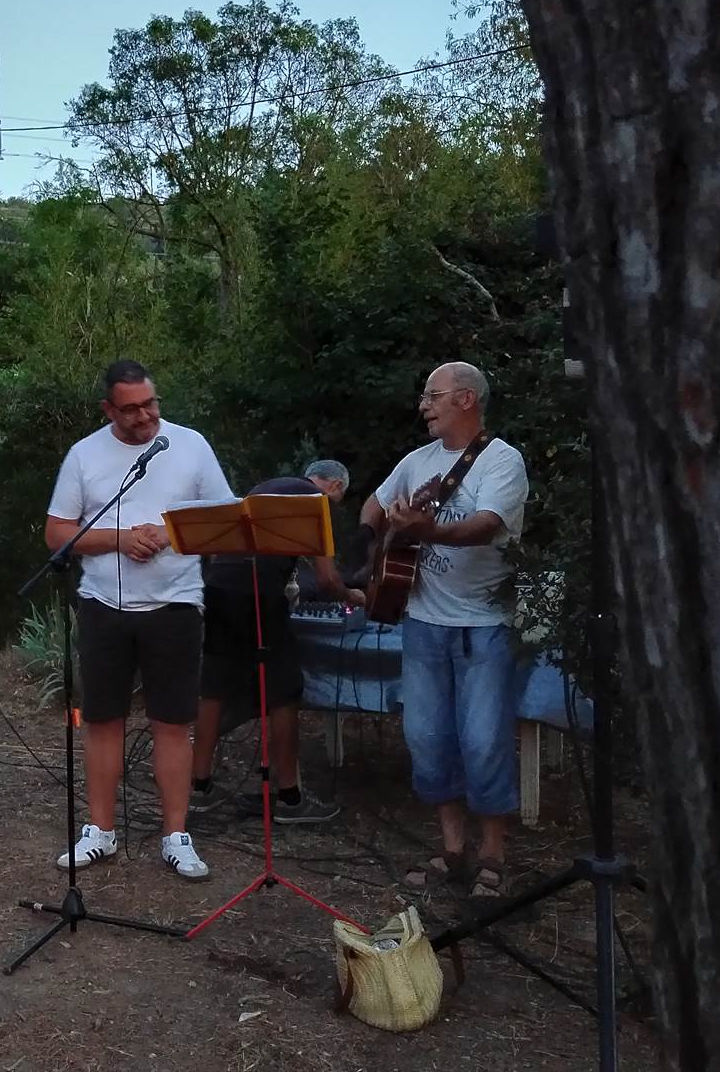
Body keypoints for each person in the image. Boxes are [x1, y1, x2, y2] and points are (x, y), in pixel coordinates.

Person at [45, 359, 233, 880]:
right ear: (109, 409)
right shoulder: (84, 455)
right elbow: (58, 534)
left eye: (151, 403)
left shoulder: (189, 445)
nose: (145, 415)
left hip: (175, 604)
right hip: (104, 604)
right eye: (131, 409)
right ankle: (100, 832)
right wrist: (121, 539)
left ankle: (176, 836)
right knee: (102, 720)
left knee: (173, 723)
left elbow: (224, 517)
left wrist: (170, 534)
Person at [355, 362, 528, 899]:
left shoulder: (502, 461)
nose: (423, 405)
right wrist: (375, 549)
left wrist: (428, 530)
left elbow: (486, 526)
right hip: (423, 624)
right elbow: (373, 505)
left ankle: (493, 855)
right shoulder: (416, 461)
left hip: (483, 627)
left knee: (484, 743)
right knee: (428, 739)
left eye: (433, 396)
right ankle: (453, 850)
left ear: (467, 400)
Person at [189, 461, 366, 825]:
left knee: (214, 687)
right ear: (333, 484)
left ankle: (197, 788)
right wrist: (356, 596)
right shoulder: (314, 501)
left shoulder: (263, 487)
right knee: (284, 692)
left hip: (218, 589)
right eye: (339, 497)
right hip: (259, 597)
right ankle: (289, 797)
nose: (334, 504)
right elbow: (328, 579)